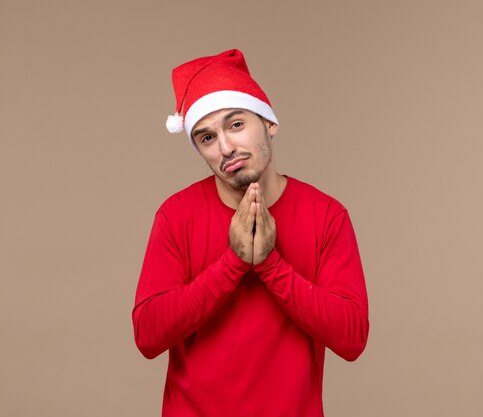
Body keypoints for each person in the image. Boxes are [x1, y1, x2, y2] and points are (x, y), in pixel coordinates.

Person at [132, 48, 369, 417]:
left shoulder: (326, 215)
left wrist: (271, 265)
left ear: (269, 122)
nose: (226, 147)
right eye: (207, 138)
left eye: (236, 124)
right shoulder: (176, 215)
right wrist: (234, 263)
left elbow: (352, 338)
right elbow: (147, 336)